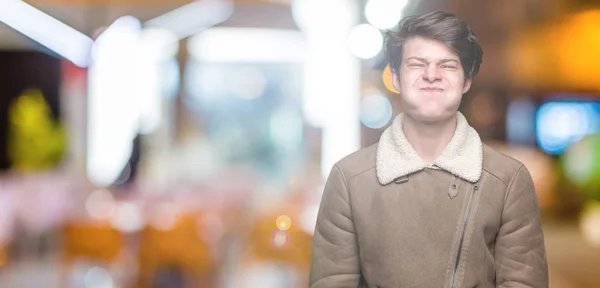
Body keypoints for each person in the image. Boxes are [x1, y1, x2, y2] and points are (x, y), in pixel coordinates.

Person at [309, 10, 548, 288]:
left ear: (467, 80)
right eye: (417, 64)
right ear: (396, 77)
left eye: (447, 65)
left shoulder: (508, 179)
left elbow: (524, 283)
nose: (431, 75)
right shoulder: (349, 179)